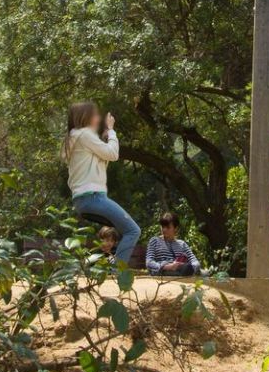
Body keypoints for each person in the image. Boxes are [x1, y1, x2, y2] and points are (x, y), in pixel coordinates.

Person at [65, 101, 139, 266]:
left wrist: (105, 140)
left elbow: (101, 161)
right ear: (86, 117)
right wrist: (112, 131)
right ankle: (117, 273)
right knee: (133, 230)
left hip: (82, 201)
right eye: (95, 115)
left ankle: (107, 267)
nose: (99, 118)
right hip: (94, 198)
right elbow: (113, 154)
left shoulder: (75, 138)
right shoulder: (84, 134)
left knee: (124, 227)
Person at [145, 212, 201, 276]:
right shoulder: (154, 241)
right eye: (162, 226)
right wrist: (167, 267)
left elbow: (196, 262)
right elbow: (149, 263)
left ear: (175, 228)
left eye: (168, 227)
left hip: (182, 272)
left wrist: (182, 266)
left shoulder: (182, 244)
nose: (164, 229)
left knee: (205, 272)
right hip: (163, 273)